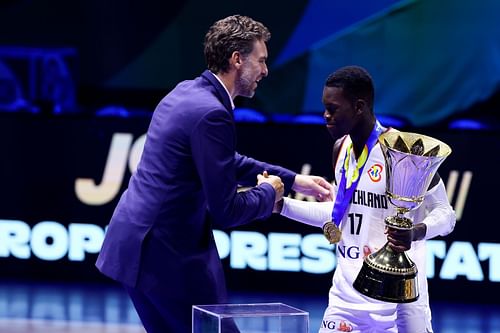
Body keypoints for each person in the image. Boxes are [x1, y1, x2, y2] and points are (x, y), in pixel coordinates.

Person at [95, 15, 333, 333]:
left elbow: (223, 161)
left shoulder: (187, 92)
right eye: (261, 60)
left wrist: (291, 180)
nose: (265, 70)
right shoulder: (211, 113)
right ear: (237, 60)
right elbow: (226, 211)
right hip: (165, 258)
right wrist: (270, 193)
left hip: (136, 249)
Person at [274, 65, 456, 332]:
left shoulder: (404, 154)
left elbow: (446, 215)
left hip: (400, 304)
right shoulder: (340, 149)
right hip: (346, 300)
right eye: (325, 108)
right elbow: (338, 217)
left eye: (333, 109)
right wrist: (281, 205)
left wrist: (415, 232)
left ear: (359, 107)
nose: (326, 116)